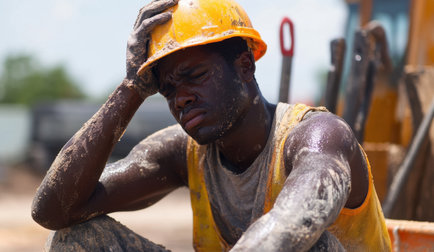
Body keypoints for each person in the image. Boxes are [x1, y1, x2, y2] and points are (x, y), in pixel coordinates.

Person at [31, 0, 392, 251]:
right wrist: (132, 89)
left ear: (245, 66)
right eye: (168, 89)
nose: (180, 99)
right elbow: (53, 209)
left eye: (194, 76)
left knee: (311, 247)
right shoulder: (181, 153)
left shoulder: (318, 137)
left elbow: (288, 229)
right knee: (74, 241)